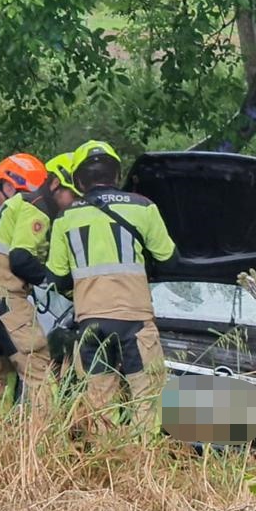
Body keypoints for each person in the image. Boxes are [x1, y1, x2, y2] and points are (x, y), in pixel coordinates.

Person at [47, 140, 176, 434]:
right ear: (116, 174)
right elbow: (169, 259)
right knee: (147, 399)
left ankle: (110, 467)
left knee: (101, 404)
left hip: (90, 322)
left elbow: (55, 278)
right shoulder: (143, 207)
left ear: (78, 181)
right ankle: (144, 467)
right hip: (135, 321)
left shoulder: (65, 218)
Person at [0, 154, 65, 418]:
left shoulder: (5, 212)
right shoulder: (34, 206)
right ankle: (48, 444)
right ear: (54, 185)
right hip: (6, 300)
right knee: (39, 367)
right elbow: (20, 258)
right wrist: (51, 281)